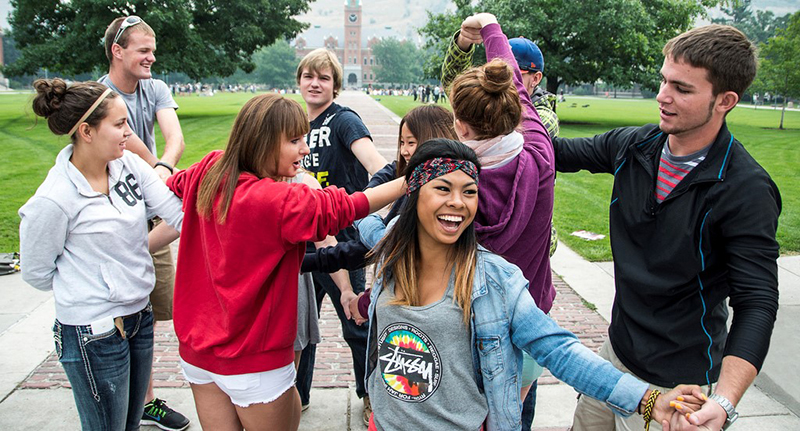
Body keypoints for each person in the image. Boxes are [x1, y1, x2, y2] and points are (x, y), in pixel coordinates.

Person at [357, 138, 702, 431]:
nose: (458, 203)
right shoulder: (391, 250)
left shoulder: (495, 281)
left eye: (470, 191)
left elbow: (559, 350)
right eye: (443, 188)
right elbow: (360, 216)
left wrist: (646, 399)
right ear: (415, 193)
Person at [555, 25, 781, 431]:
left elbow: (757, 302)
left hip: (681, 383)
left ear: (725, 101)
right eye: (663, 80)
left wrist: (725, 401)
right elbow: (551, 153)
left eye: (682, 88)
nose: (662, 95)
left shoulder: (746, 189)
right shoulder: (634, 146)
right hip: (614, 358)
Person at [156, 93, 405, 431]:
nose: (305, 149)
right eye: (294, 140)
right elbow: (344, 208)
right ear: (263, 141)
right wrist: (408, 182)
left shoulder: (210, 168)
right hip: (254, 359)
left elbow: (169, 186)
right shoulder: (277, 200)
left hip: (198, 354)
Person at [19, 79, 184, 430]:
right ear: (87, 132)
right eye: (120, 124)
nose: (129, 132)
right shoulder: (54, 199)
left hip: (139, 316)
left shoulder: (129, 167)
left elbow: (179, 213)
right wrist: (90, 285)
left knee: (130, 423)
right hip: (93, 333)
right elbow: (36, 271)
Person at [98, 16, 189, 430]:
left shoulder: (155, 88)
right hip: (118, 202)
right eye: (143, 50)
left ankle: (143, 399)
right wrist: (159, 172)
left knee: (153, 306)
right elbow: (129, 141)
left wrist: (165, 166)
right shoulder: (101, 96)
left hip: (151, 195)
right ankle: (137, 399)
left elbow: (174, 136)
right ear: (118, 51)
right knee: (123, 305)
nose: (152, 57)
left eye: (152, 50)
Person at [295, 47, 388, 422]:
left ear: (335, 85)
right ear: (299, 80)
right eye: (308, 76)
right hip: (302, 243)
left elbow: (378, 166)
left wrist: (358, 207)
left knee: (356, 322)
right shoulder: (297, 124)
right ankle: (297, 396)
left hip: (343, 242)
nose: (315, 84)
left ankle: (370, 395)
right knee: (300, 328)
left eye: (324, 78)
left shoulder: (343, 121)